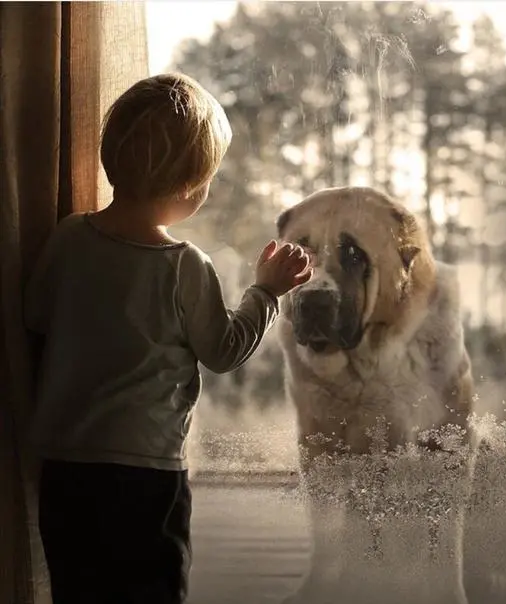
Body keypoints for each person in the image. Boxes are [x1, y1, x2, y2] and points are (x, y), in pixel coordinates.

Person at [23, 72, 312, 604]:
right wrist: (266, 293)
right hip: (146, 473)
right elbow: (223, 352)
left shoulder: (67, 238)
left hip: (66, 467)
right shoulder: (185, 267)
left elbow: (38, 316)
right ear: (189, 187)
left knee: (78, 590)